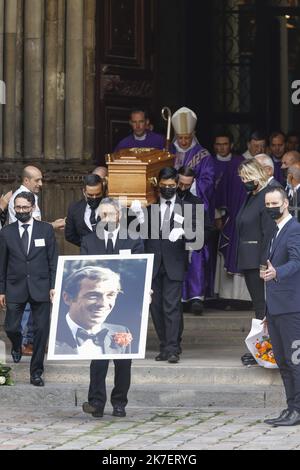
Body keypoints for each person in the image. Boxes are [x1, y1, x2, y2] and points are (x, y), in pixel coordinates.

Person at [78, 198, 144, 418]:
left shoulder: (133, 239)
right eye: (102, 215)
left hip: (125, 307)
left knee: (123, 358)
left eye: (110, 215)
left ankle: (119, 403)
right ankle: (96, 402)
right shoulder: (89, 240)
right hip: (98, 308)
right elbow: (83, 273)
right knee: (98, 356)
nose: (106, 219)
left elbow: (140, 272)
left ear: (119, 216)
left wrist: (147, 292)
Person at [0, 192, 58, 386]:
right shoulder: (7, 232)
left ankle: (36, 372)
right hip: (14, 286)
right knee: (11, 326)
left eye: (25, 208)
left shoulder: (46, 230)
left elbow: (53, 260)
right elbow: (2, 264)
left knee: (42, 331)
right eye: (18, 208)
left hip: (41, 287)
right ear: (14, 209)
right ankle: (17, 345)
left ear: (33, 207)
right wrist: (1, 290)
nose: (22, 211)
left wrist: (53, 286)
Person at [143, 167, 197, 363]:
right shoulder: (149, 206)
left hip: (174, 263)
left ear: (177, 185)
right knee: (156, 308)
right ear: (159, 186)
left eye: (171, 186)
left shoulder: (187, 206)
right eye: (164, 186)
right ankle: (164, 345)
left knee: (171, 306)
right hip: (153, 263)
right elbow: (138, 234)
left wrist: (184, 232)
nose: (168, 189)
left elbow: (199, 235)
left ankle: (173, 347)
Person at [262, 187, 300, 427]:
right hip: (275, 308)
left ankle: (297, 409)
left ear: (285, 203)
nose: (270, 208)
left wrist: (277, 273)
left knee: (295, 361)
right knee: (284, 362)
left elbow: (297, 261)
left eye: (274, 203)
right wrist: (267, 313)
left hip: (291, 307)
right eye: (267, 205)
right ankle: (291, 407)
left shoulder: (294, 228)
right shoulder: (275, 230)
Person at [236, 159, 276, 365]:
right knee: (260, 307)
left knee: (263, 308)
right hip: (249, 259)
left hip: (258, 262)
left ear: (256, 174)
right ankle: (262, 349)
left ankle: (266, 350)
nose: (244, 181)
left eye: (246, 177)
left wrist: (263, 263)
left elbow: (267, 233)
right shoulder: (253, 195)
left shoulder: (266, 196)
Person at [177, 167, 213, 314]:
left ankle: (195, 298)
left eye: (187, 185)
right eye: (181, 184)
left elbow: (207, 228)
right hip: (173, 243)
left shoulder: (196, 202)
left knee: (197, 253)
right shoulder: (167, 199)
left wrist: (196, 238)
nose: (183, 188)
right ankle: (179, 298)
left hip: (192, 242)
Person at [65, 174, 105, 247]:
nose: (94, 197)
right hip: (86, 253)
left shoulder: (111, 207)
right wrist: (86, 244)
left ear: (102, 191)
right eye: (90, 195)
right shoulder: (74, 208)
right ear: (84, 192)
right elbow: (70, 235)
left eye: (98, 194)